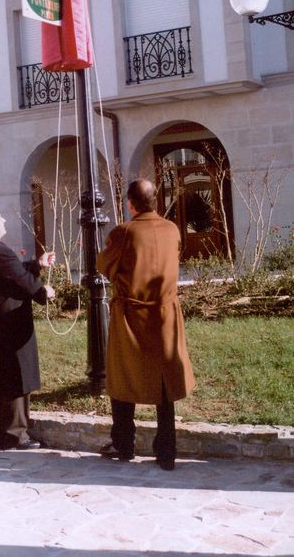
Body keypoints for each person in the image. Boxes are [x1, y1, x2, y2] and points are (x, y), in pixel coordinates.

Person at [96, 179, 195, 470]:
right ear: (156, 201)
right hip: (165, 314)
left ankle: (123, 444)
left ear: (130, 203)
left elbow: (104, 265)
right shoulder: (172, 229)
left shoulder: (123, 233)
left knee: (123, 376)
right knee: (164, 380)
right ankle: (167, 451)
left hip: (131, 316)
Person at [0, 206, 55, 451]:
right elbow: (19, 279)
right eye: (0, 218)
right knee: (16, 377)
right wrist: (42, 292)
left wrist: (37, 264)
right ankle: (14, 436)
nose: (5, 219)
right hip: (9, 324)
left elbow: (10, 273)